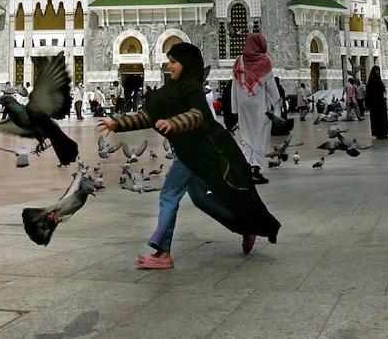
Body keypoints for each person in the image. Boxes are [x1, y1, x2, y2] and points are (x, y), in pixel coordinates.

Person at [98, 41, 280, 269]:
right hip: (189, 152)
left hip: (197, 151)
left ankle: (162, 253)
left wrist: (174, 123)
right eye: (170, 61)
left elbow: (196, 116)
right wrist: (117, 124)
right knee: (201, 198)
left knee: (168, 194)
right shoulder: (169, 91)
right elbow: (148, 115)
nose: (170, 66)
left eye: (174, 62)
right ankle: (245, 226)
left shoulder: (192, 90)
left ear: (187, 64)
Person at [230, 32, 279, 184]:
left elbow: (234, 85)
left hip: (243, 104)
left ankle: (247, 169)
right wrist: (276, 103)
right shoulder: (264, 60)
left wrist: (235, 108)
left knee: (246, 135)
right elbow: (270, 85)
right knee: (259, 135)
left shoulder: (239, 60)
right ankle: (256, 170)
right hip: (258, 104)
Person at [365, 65, 388, 139]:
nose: (377, 72)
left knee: (383, 119)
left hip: (381, 103)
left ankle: (384, 133)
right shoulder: (371, 82)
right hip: (374, 104)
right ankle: (378, 134)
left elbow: (382, 89)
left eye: (378, 70)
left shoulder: (379, 80)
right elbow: (368, 94)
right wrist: (367, 104)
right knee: (376, 119)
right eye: (376, 70)